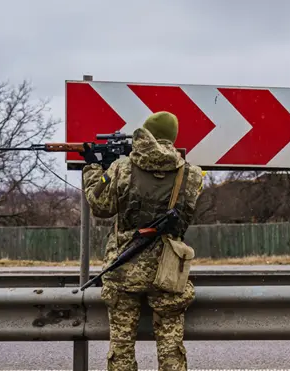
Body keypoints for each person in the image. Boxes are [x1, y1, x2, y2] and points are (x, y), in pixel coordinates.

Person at [82, 111, 204, 371]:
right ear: (172, 139)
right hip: (168, 270)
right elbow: (185, 217)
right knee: (172, 348)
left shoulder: (122, 168)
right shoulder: (192, 174)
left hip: (125, 269)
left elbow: (100, 206)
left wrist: (93, 168)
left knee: (122, 347)